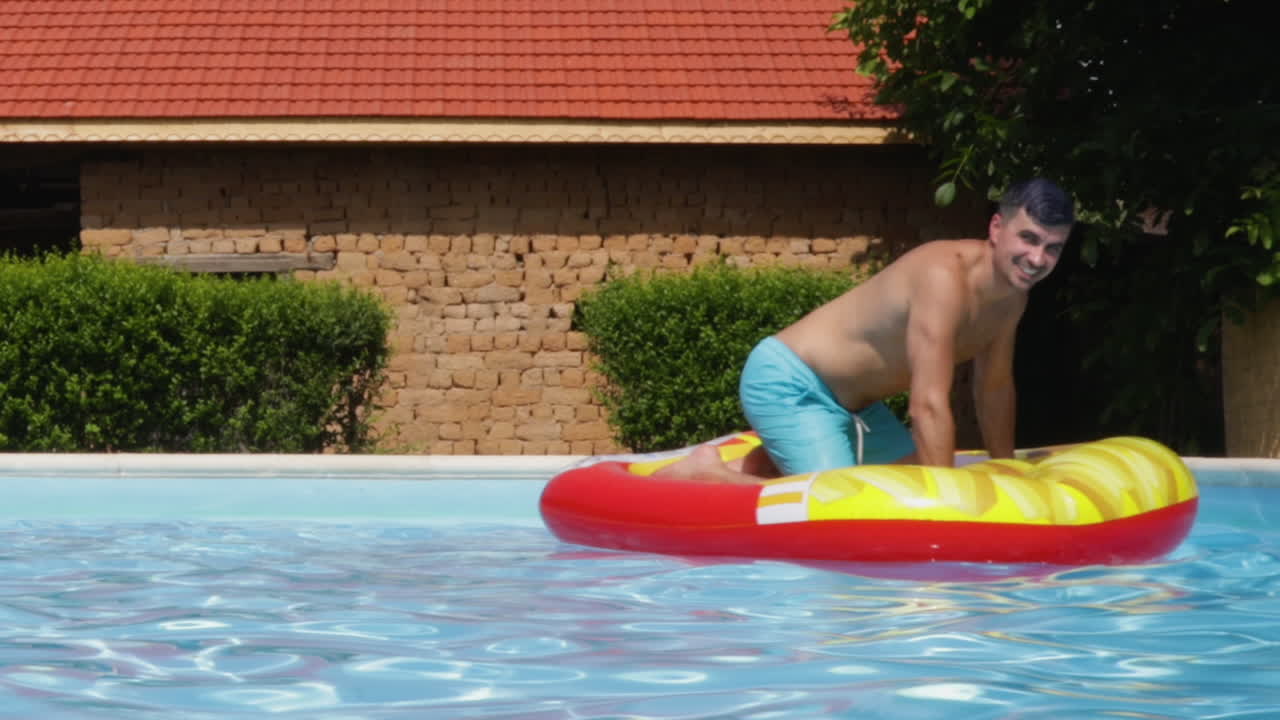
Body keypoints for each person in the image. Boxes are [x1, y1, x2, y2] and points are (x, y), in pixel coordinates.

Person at [658, 178, 1075, 483]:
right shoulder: (943, 277)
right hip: (793, 382)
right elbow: (927, 404)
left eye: (1052, 247)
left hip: (858, 408)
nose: (1037, 258)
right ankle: (705, 475)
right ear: (997, 229)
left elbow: (994, 388)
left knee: (907, 478)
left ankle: (769, 462)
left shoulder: (1013, 298)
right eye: (1029, 238)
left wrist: (1008, 470)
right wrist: (950, 503)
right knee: (842, 501)